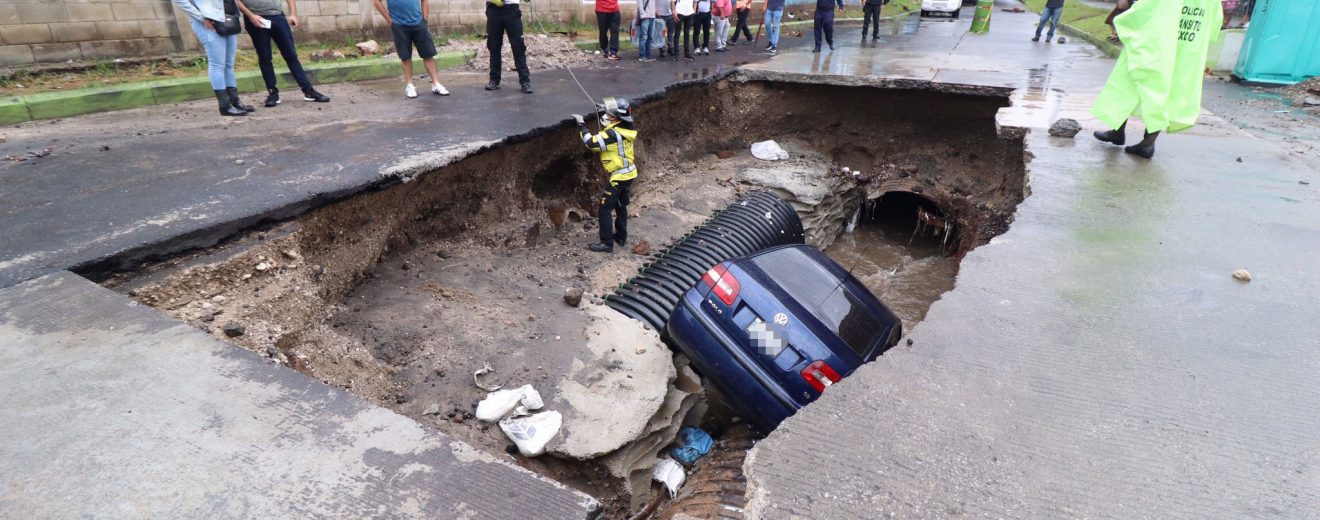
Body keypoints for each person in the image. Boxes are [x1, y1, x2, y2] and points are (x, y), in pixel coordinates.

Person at [1091, 0, 1221, 158]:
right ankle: (1148, 143)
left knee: (1128, 82)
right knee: (1166, 92)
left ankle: (1118, 131)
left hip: (1156, 44)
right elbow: (1214, 25)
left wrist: (1122, 22)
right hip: (1186, 51)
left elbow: (1143, 10)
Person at [233, 0, 331, 107]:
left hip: (278, 17)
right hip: (256, 19)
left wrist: (293, 14)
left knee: (291, 55)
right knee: (265, 57)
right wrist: (250, 15)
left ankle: (308, 91)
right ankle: (273, 93)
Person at [573, 98, 638, 253]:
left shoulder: (613, 134)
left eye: (609, 113)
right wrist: (604, 108)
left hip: (619, 177)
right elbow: (613, 119)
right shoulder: (626, 128)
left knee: (605, 208)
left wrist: (581, 124)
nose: (606, 115)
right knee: (621, 206)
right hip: (629, 173)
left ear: (616, 117)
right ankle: (621, 236)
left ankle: (606, 243)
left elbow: (591, 143)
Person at [171, 0, 250, 116]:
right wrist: (201, 17)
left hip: (228, 17)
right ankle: (224, 105)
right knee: (217, 64)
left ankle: (235, 101)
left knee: (229, 64)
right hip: (208, 21)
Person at [372, 0, 449, 99]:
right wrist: (389, 20)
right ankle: (410, 86)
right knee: (405, 56)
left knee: (428, 53)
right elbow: (376, 2)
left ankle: (435, 84)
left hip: (419, 23)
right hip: (399, 25)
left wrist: (424, 19)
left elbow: (424, 1)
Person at [484, 0, 532, 93]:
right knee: (494, 46)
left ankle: (525, 82)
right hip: (493, 8)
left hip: (512, 9)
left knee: (518, 46)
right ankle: (494, 80)